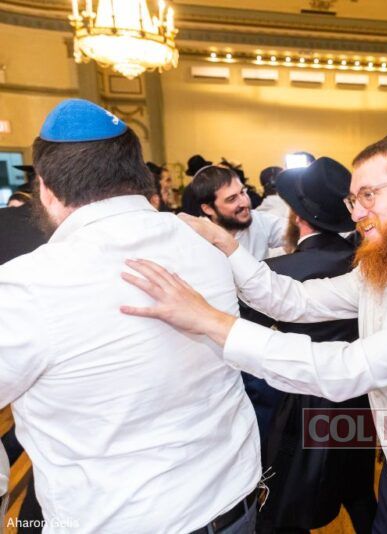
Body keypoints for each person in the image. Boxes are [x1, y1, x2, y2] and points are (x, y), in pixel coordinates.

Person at [120, 135, 387, 533]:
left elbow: (349, 369)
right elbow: (294, 300)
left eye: (369, 196)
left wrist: (210, 321)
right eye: (353, 200)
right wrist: (228, 247)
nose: (357, 213)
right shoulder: (382, 269)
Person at [0, 99, 262, 533]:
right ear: (140, 176)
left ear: (45, 190)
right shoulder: (205, 245)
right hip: (234, 504)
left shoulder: (26, 286)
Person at [249, 157, 375, 534]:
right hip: (357, 398)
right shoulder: (366, 264)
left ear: (297, 216)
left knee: (288, 504)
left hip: (299, 403)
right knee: (358, 491)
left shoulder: (278, 272)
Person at [188, 165, 286, 260]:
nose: (245, 202)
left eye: (242, 192)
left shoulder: (258, 220)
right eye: (232, 199)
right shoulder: (195, 241)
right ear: (208, 209)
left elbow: (292, 233)